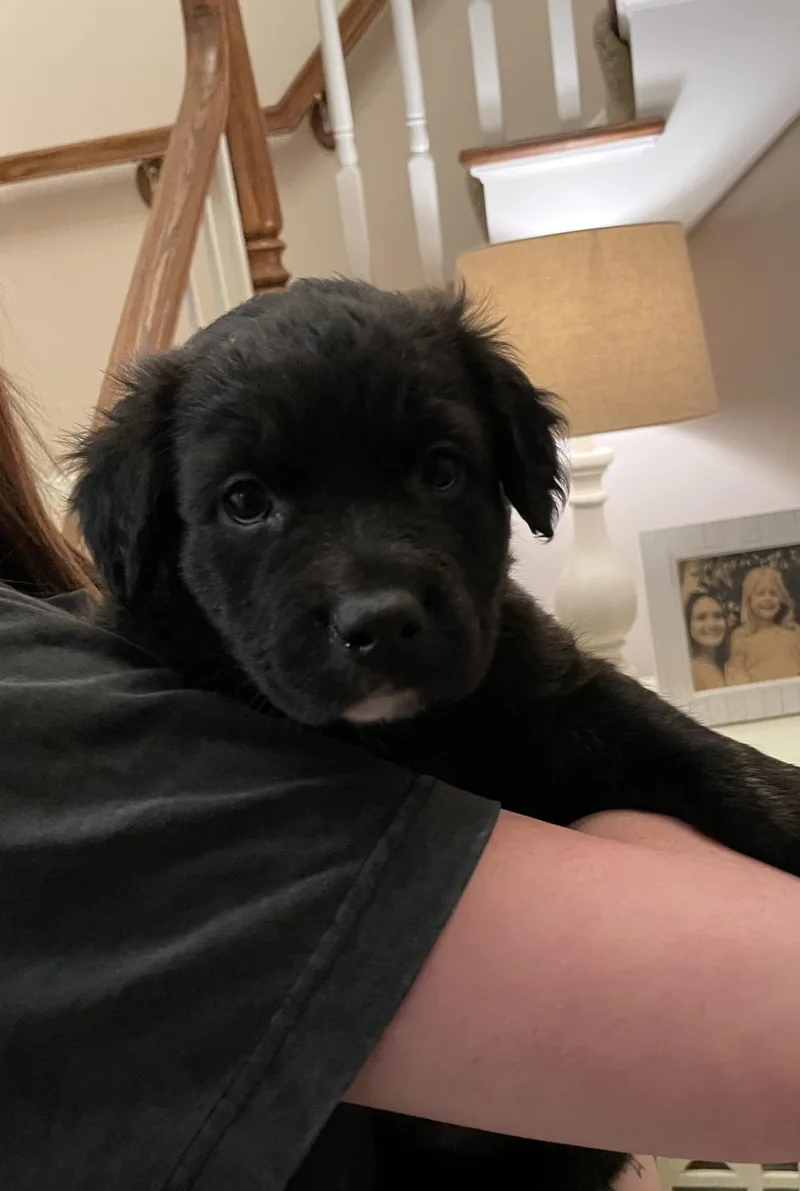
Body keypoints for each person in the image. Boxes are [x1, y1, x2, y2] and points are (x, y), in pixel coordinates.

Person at [5, 365, 800, 1191]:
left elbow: (638, 739)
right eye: (247, 504)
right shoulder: (136, 707)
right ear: (153, 535)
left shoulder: (516, 665)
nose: (370, 595)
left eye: (438, 472)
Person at [725, 565, 800, 685]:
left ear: (781, 600)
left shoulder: (793, 634)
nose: (768, 598)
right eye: (761, 593)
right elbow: (736, 675)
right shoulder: (742, 636)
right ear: (749, 600)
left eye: (773, 593)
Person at [685, 591, 729, 691]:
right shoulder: (690, 671)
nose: (711, 624)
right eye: (701, 617)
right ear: (688, 624)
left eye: (717, 616)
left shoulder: (730, 663)